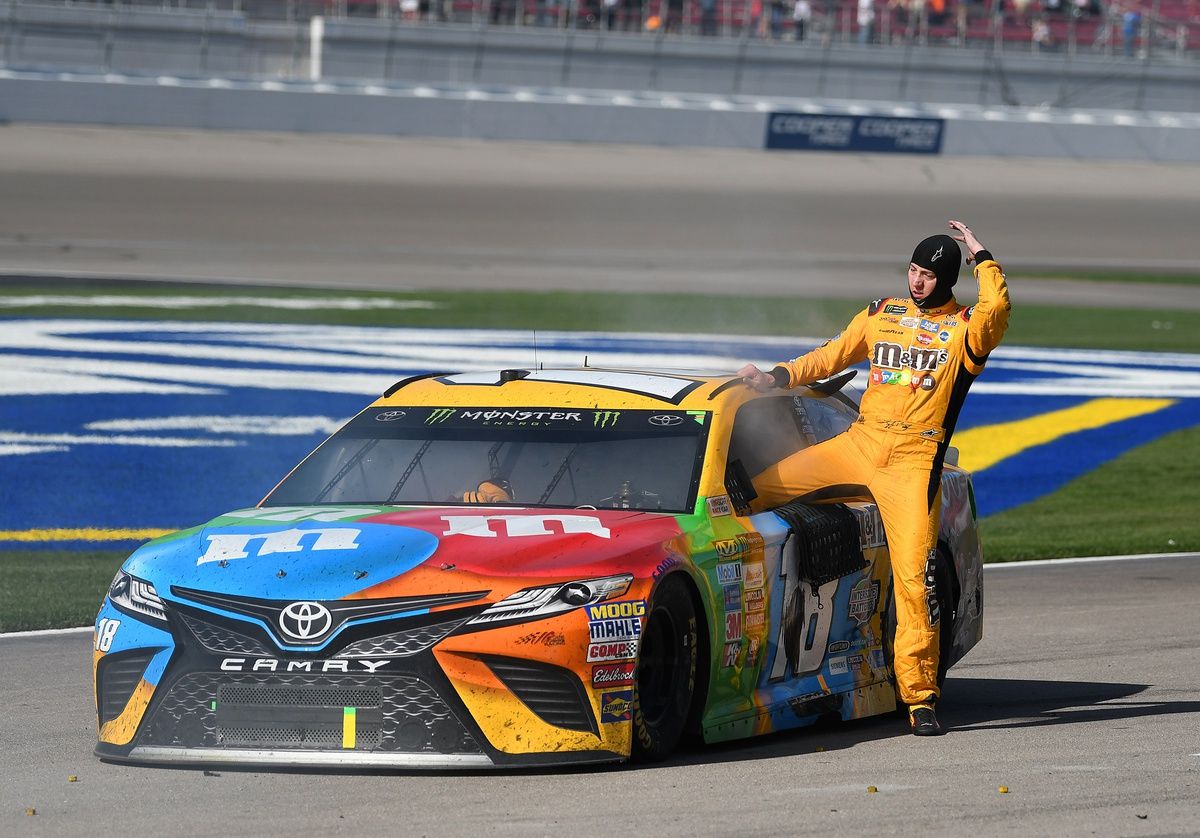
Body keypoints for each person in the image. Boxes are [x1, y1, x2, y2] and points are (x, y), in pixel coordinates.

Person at [736, 220, 1010, 736]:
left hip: (914, 461)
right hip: (859, 444)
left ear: (948, 279)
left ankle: (920, 696)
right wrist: (776, 377)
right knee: (754, 490)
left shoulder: (968, 328)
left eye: (929, 275)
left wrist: (981, 254)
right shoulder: (881, 314)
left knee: (915, 580)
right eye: (913, 270)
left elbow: (998, 308)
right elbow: (830, 355)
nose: (918, 281)